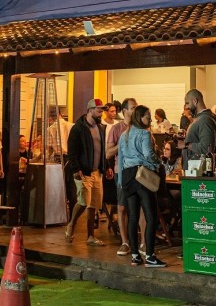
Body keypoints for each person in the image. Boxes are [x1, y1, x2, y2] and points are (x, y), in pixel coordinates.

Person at [117, 105, 166, 268]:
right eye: (147, 116)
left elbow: (121, 158)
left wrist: (121, 182)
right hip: (142, 175)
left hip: (127, 176)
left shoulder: (124, 134)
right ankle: (150, 256)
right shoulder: (144, 133)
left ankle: (135, 256)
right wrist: (158, 162)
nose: (150, 119)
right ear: (140, 117)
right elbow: (148, 154)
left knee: (133, 216)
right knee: (151, 216)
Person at [65, 98, 112, 247]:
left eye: (102, 111)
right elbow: (72, 151)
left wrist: (107, 166)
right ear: (90, 110)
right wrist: (75, 168)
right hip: (84, 171)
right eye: (99, 111)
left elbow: (101, 150)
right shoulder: (78, 128)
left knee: (94, 205)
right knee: (84, 201)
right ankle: (71, 224)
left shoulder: (101, 127)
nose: (101, 114)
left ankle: (91, 236)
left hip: (97, 171)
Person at [105, 97, 136, 257]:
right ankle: (125, 242)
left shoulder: (140, 127)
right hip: (122, 172)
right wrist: (122, 143)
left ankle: (142, 242)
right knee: (122, 207)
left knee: (139, 207)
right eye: (133, 107)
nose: (135, 110)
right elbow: (108, 153)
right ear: (125, 111)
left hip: (138, 172)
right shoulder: (116, 129)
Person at [183, 89, 216, 170]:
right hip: (194, 171)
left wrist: (186, 145)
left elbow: (207, 148)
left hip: (199, 172)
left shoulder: (205, 120)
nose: (186, 107)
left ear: (195, 101)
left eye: (187, 103)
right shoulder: (200, 119)